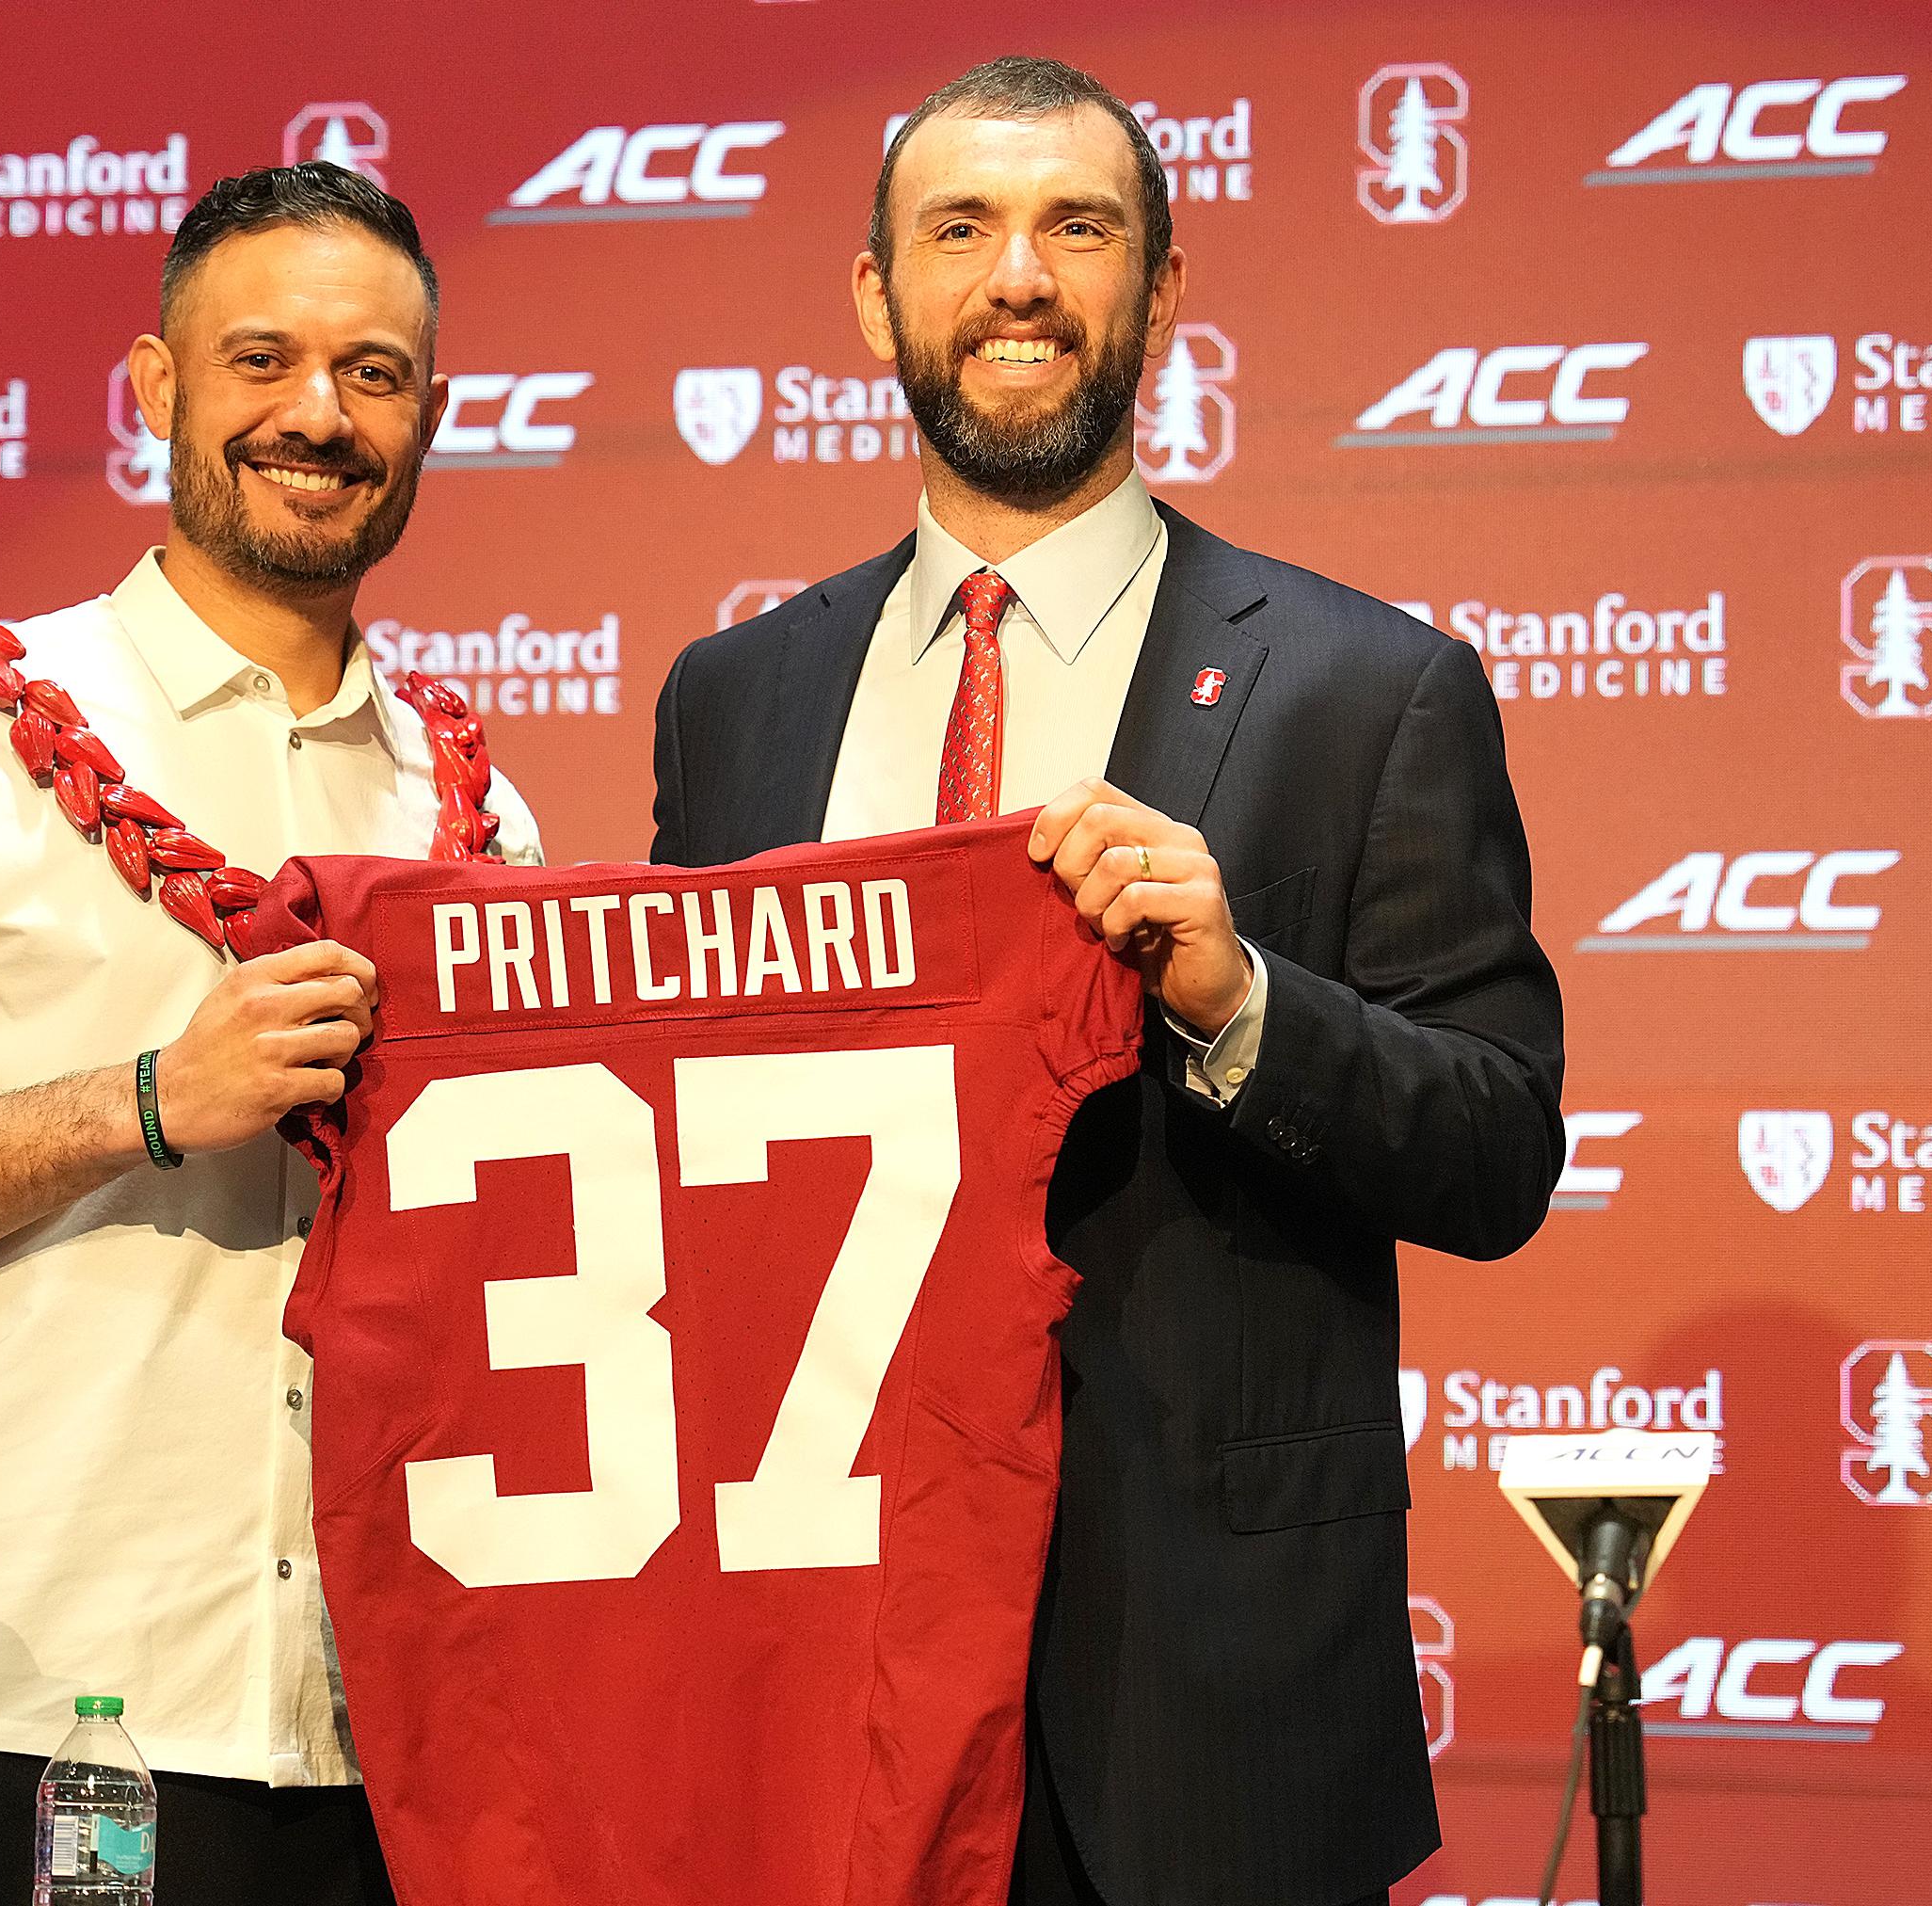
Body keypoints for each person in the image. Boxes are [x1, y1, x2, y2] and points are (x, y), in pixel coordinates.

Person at [648, 56, 1565, 1906]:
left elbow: (1499, 1146)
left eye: (1079, 229)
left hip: (1204, 1702)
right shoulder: (733, 699)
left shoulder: (1363, 686)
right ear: (873, 295)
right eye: (961, 229)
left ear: (1159, 289)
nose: (1017, 278)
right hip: (823, 1677)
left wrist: (1240, 999)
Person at [0, 161, 538, 1906]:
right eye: (262, 360)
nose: (318, 413)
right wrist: (152, 1099)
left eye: (374, 375)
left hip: (356, 1741)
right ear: (155, 390)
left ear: (434, 418)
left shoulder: (482, 818)